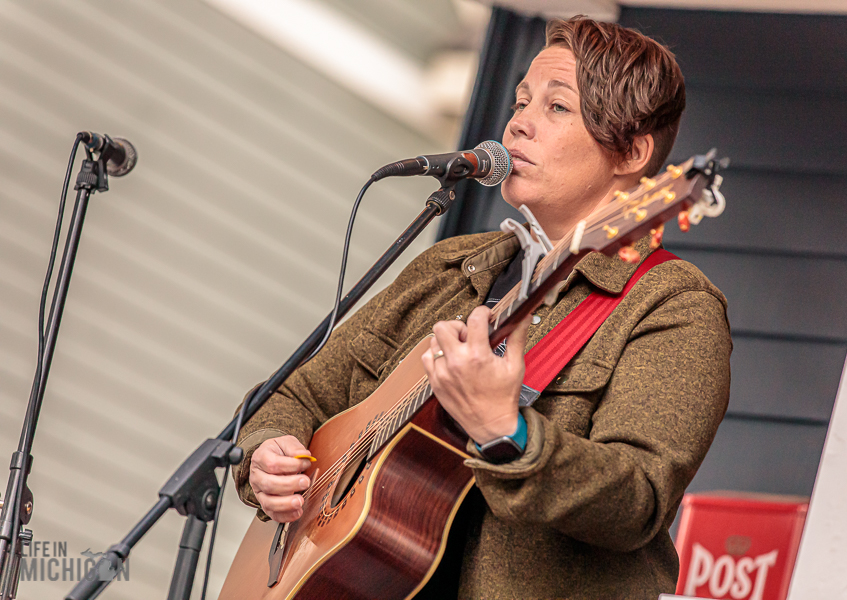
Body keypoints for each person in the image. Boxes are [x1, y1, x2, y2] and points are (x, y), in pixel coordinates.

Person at [232, 16, 731, 600]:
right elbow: (297, 395)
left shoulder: (672, 307)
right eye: (520, 101)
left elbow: (636, 500)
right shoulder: (451, 267)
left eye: (556, 108)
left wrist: (506, 431)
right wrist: (267, 452)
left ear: (634, 153)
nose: (517, 122)